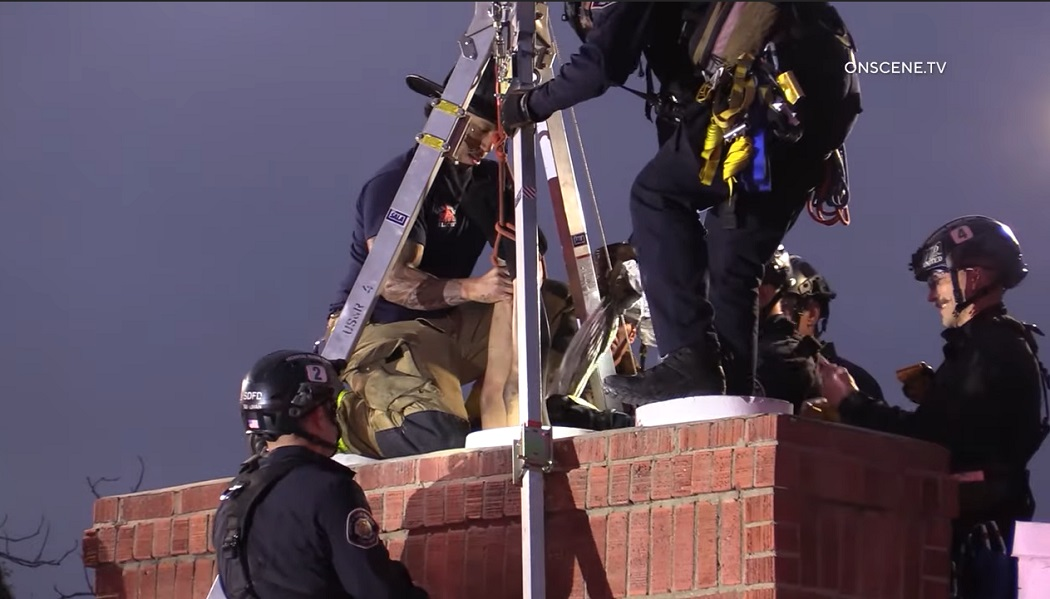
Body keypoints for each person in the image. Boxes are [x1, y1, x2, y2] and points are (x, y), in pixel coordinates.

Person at [502, 2, 862, 406]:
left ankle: (690, 361)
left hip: (757, 106)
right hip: (799, 127)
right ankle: (731, 394)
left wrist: (526, 104)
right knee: (732, 254)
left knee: (655, 196)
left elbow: (600, 67)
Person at [323, 63, 576, 459]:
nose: (484, 143)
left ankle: (500, 420)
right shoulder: (400, 184)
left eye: (494, 134)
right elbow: (391, 281)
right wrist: (474, 289)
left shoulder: (486, 182)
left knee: (556, 306)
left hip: (450, 326)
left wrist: (525, 265)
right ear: (444, 119)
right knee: (435, 438)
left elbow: (528, 261)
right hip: (386, 330)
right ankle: (353, 419)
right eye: (476, 130)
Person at [817, 215, 1049, 598]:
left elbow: (927, 442)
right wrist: (938, 395)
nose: (931, 296)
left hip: (980, 544)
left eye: (937, 280)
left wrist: (850, 402)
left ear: (972, 277)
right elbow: (974, 427)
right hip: (990, 530)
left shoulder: (988, 348)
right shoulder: (998, 343)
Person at [212, 350, 429, 599]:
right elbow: (376, 590)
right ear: (315, 414)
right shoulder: (329, 489)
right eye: (331, 409)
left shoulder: (233, 499)